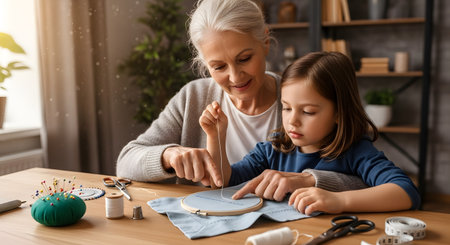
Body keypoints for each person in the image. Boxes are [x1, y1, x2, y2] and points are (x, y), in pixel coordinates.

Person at [116, 0, 367, 195]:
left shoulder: (301, 100)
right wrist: (168, 156)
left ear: (265, 42)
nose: (235, 77)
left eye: (244, 58)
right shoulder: (193, 97)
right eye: (218, 67)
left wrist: (310, 180)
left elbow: (368, 178)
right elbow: (126, 162)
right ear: (204, 65)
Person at [199, 51, 420, 215]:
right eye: (286, 108)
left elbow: (405, 191)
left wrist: (339, 201)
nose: (292, 120)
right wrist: (215, 136)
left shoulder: (356, 151)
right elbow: (224, 182)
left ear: (338, 112)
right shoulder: (273, 149)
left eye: (308, 111)